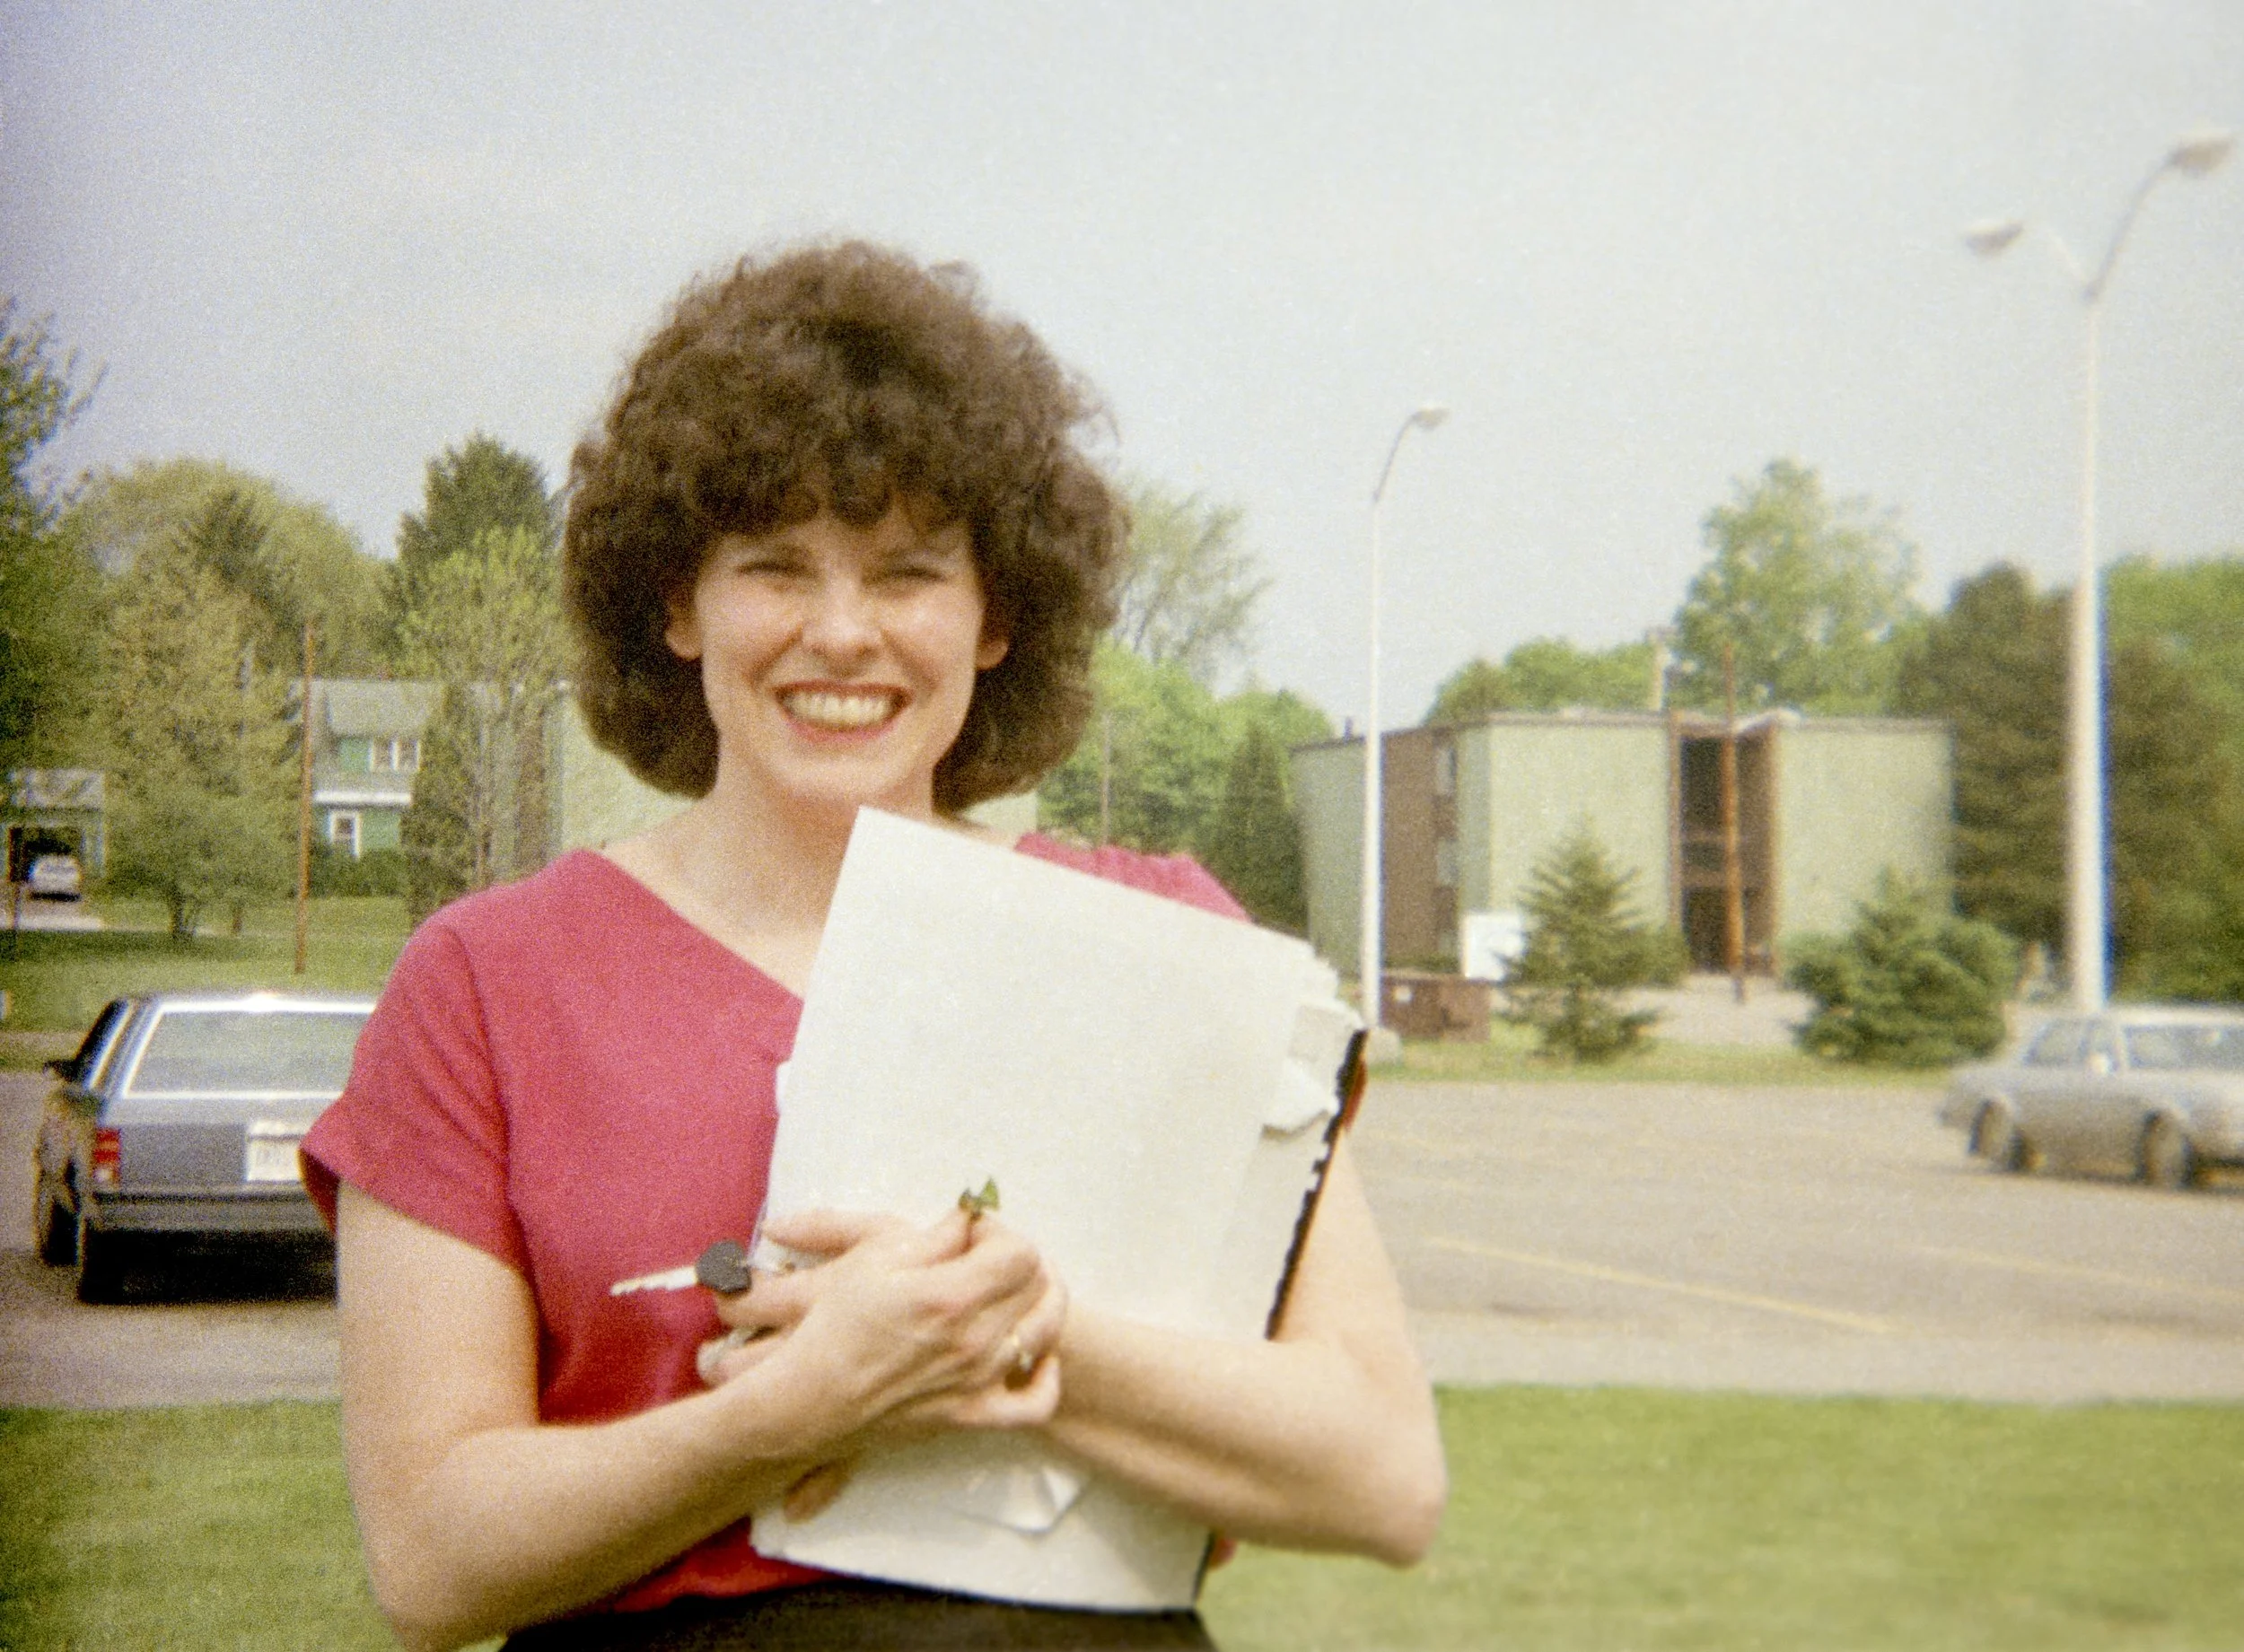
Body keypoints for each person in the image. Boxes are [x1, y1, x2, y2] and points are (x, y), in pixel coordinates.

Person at [302, 240, 1445, 1652]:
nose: (841, 635)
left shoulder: (1169, 940)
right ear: (676, 604)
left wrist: (1011, 1332)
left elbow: (1383, 1473)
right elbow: (428, 1561)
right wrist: (786, 1413)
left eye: (908, 575)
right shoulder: (487, 985)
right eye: (774, 568)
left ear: (997, 615)